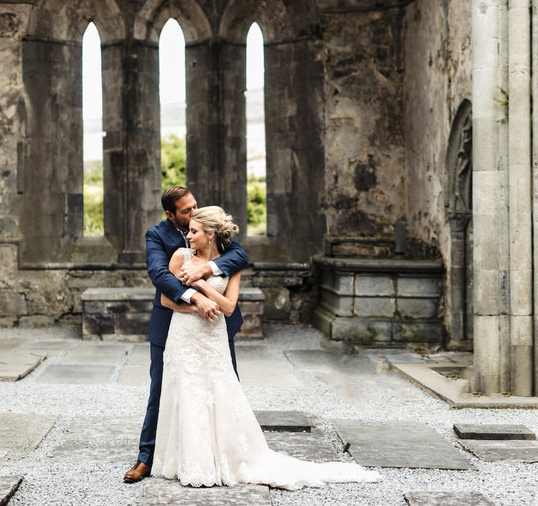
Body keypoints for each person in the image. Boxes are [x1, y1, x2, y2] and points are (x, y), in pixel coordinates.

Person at [151, 205, 381, 489]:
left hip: (213, 338)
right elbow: (166, 300)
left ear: (210, 234)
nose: (187, 235)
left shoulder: (230, 264)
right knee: (185, 393)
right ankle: (189, 461)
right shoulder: (180, 257)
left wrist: (203, 286)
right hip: (184, 335)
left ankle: (224, 460)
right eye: (188, 230)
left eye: (194, 231)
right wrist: (198, 305)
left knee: (219, 393)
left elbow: (229, 306)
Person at [124, 185, 250, 484]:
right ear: (171, 214)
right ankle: (147, 457)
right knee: (162, 391)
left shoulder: (212, 227)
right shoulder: (157, 235)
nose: (194, 212)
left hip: (215, 328)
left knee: (222, 389)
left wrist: (207, 269)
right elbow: (160, 275)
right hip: (172, 323)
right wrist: (195, 298)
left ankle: (225, 456)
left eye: (195, 205)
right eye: (186, 210)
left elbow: (240, 256)